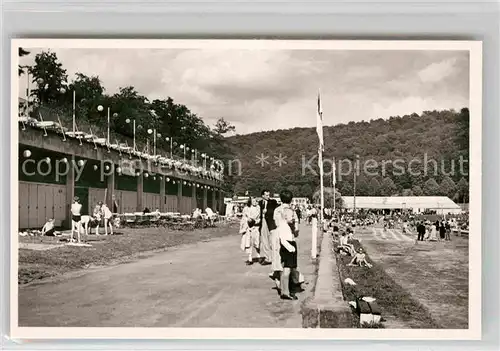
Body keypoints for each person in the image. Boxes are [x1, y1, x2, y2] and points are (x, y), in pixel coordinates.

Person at [275, 189, 299, 300]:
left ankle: (282, 288)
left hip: (280, 239)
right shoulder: (292, 212)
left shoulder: (277, 211)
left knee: (283, 264)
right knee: (289, 267)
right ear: (291, 199)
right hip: (290, 240)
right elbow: (296, 230)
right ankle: (286, 291)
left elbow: (276, 224)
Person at [259, 190, 277, 266]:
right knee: (264, 240)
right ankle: (267, 258)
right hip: (262, 221)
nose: (268, 196)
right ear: (262, 196)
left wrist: (267, 211)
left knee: (272, 240)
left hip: (270, 222)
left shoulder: (273, 202)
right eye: (266, 195)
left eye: (268, 195)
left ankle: (275, 257)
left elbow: (274, 210)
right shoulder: (259, 203)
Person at [241, 198, 261, 265]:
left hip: (256, 227)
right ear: (250, 201)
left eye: (256, 201)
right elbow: (243, 217)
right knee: (249, 243)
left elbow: (260, 218)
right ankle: (250, 258)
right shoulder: (246, 208)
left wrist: (256, 221)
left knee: (257, 242)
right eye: (253, 201)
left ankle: (259, 256)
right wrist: (247, 219)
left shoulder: (258, 208)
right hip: (249, 228)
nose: (255, 202)